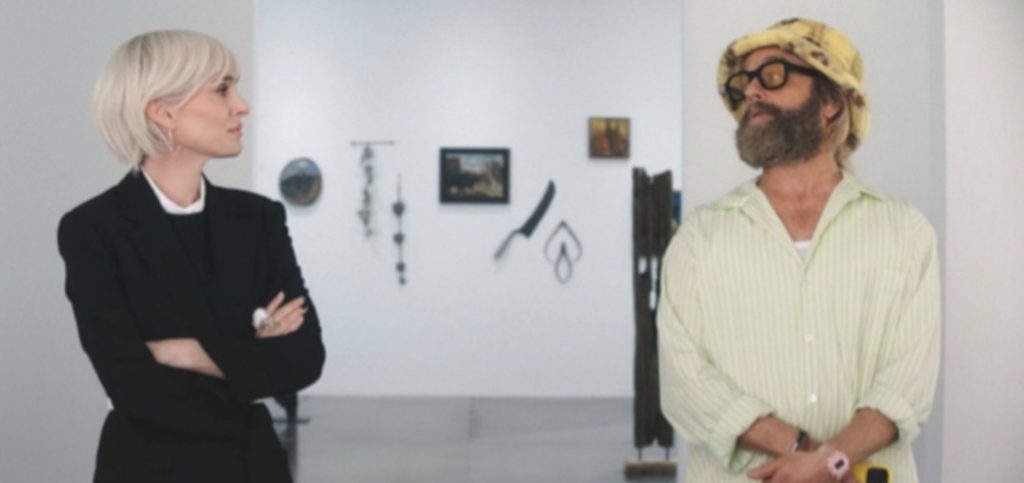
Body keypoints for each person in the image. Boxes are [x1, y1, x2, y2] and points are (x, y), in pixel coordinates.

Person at [656, 18, 939, 483]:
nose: (752, 92)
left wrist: (829, 461)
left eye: (773, 75)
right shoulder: (699, 239)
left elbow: (908, 382)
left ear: (830, 103)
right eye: (744, 82)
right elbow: (684, 383)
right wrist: (809, 452)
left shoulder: (904, 231)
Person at [57, 30, 325, 483]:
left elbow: (304, 358)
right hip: (147, 469)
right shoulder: (93, 229)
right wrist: (250, 358)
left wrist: (188, 352)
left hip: (254, 468)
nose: (242, 106)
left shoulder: (259, 218)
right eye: (222, 89)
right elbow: (132, 387)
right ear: (163, 112)